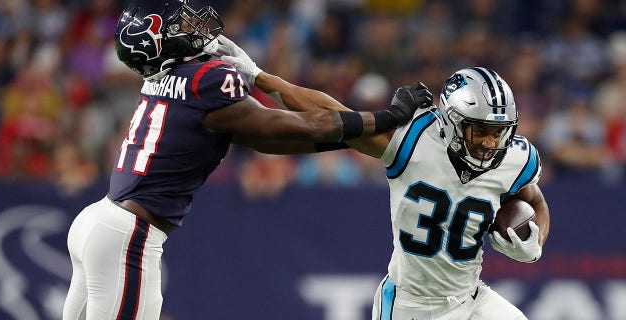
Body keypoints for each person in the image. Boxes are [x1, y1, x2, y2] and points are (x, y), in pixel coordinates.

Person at [61, 1, 432, 319]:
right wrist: (388, 117)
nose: (193, 24)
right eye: (179, 23)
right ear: (159, 41)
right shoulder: (206, 79)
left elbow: (274, 140)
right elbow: (296, 127)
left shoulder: (166, 80)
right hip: (129, 235)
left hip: (101, 221)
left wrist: (353, 136)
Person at [218, 37, 550, 319]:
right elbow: (331, 115)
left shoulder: (514, 157)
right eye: (480, 131)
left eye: (498, 133)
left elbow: (534, 198)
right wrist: (261, 77)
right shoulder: (413, 141)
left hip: (471, 299)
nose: (490, 143)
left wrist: (534, 243)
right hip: (411, 306)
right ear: (451, 121)